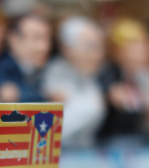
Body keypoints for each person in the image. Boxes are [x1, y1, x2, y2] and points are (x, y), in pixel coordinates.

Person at [42, 16, 106, 148]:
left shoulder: (88, 76)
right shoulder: (55, 75)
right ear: (67, 48)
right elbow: (52, 131)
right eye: (90, 47)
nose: (97, 54)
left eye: (100, 47)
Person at [99, 18, 149, 138]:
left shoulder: (135, 77)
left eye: (142, 49)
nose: (141, 54)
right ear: (117, 51)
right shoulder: (109, 75)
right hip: (111, 142)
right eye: (135, 49)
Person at [0, 13, 51, 102]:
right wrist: (47, 96)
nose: (45, 47)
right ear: (14, 39)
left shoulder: (46, 67)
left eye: (48, 39)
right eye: (36, 38)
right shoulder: (4, 68)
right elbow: (8, 94)